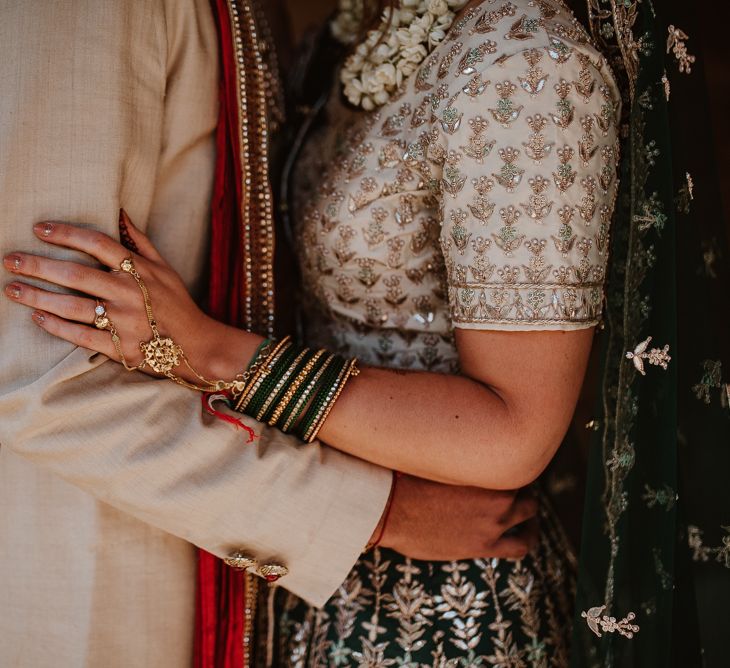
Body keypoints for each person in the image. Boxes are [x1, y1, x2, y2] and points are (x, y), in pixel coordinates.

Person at [3, 0, 622, 663]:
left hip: (446, 601)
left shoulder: (529, 61)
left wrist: (215, 353)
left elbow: (514, 435)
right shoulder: (352, 28)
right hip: (308, 577)